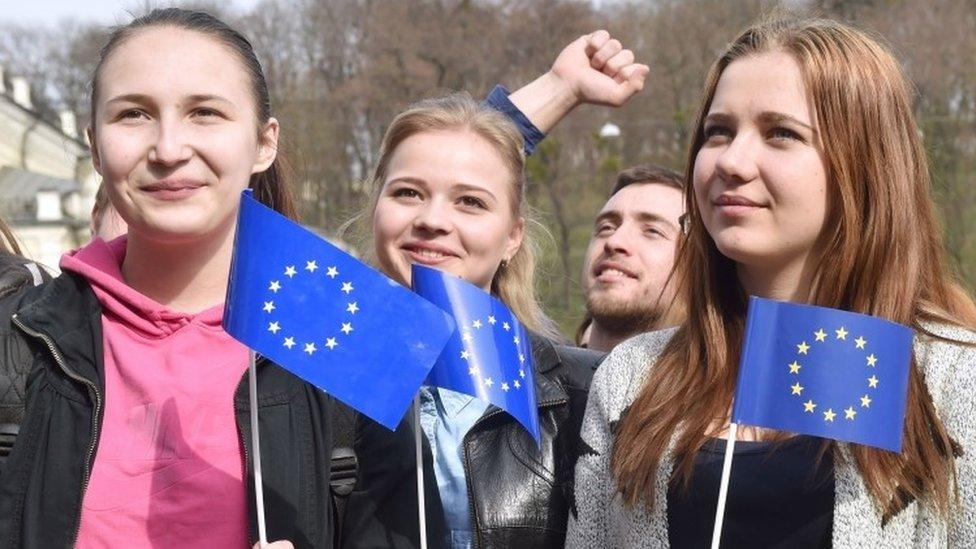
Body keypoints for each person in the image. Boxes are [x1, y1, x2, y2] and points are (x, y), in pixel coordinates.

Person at [567, 16, 976, 548]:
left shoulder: (953, 381)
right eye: (719, 131)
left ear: (865, 166)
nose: (732, 161)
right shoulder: (632, 377)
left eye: (781, 133)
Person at [0, 9, 327, 548]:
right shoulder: (19, 342)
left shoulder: (335, 348)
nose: (169, 149)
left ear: (264, 144)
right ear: (95, 145)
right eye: (133, 114)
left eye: (204, 113)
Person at [340, 32, 647, 549]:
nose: (432, 220)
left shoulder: (584, 392)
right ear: (376, 212)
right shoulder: (310, 378)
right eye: (408, 193)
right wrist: (559, 86)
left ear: (513, 237)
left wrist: (560, 89)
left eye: (470, 203)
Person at [576, 164, 685, 351]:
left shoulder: (738, 379)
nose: (614, 241)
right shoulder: (527, 374)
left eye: (652, 231)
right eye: (607, 227)